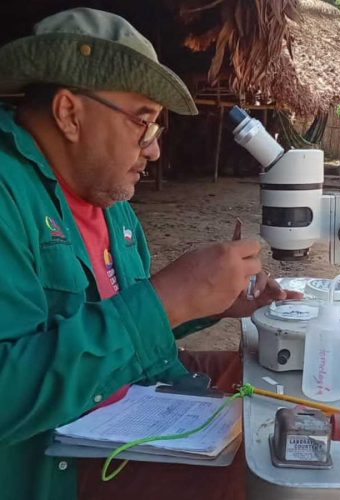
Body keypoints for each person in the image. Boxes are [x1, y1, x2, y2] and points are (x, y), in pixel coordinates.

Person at [0, 8, 300, 500]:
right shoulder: (8, 194)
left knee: (272, 386)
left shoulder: (109, 203)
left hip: (137, 397)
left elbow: (118, 320)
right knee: (263, 472)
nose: (154, 150)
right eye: (144, 124)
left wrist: (209, 302)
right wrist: (167, 302)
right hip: (58, 467)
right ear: (69, 114)